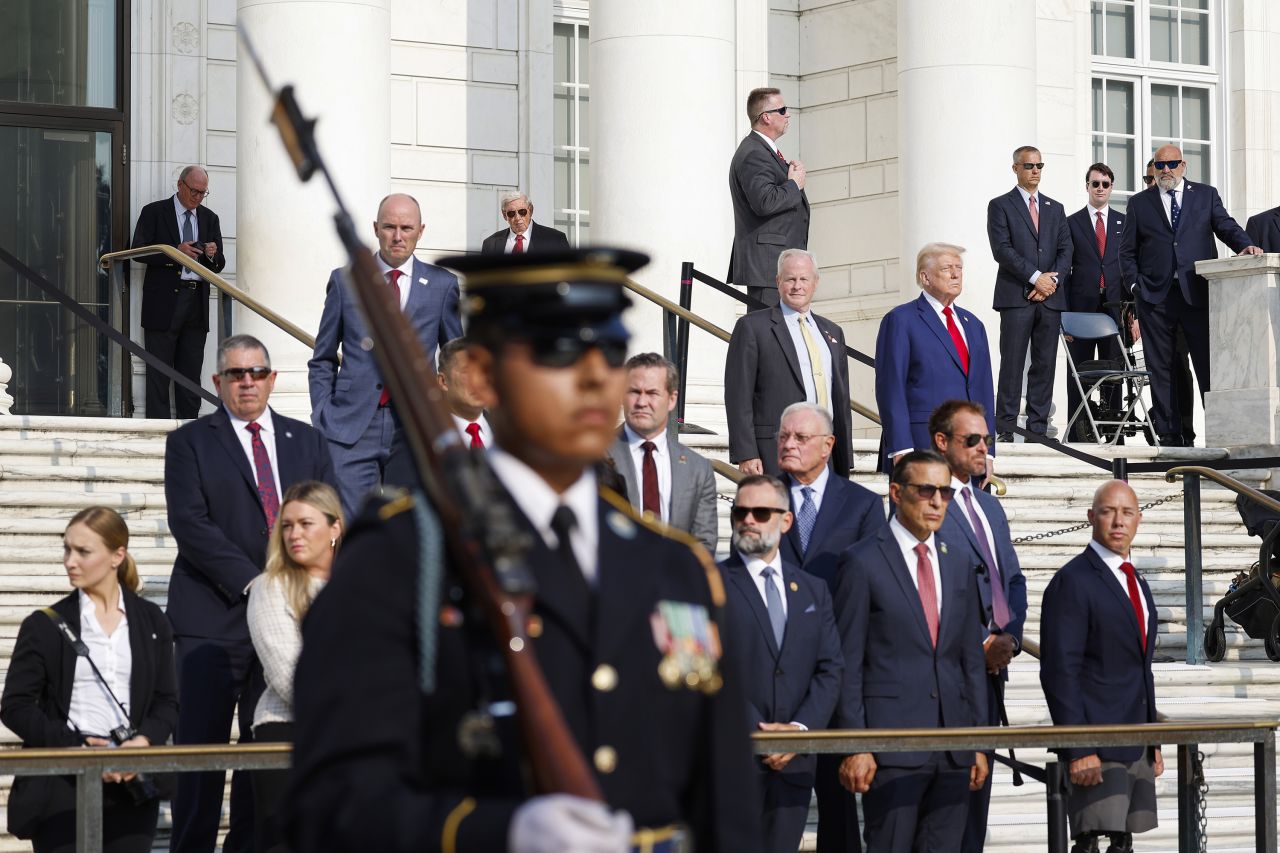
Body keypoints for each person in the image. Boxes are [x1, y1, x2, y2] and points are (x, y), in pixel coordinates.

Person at [284, 248, 763, 853]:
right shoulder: (400, 560)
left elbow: (728, 812)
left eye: (609, 353)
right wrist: (496, 833)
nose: (594, 377)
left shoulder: (675, 568)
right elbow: (330, 806)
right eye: (559, 353)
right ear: (483, 376)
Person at [164, 334, 335, 853]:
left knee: (262, 754)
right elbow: (190, 525)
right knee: (201, 755)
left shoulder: (308, 442)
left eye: (256, 372)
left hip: (285, 622)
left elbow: (327, 518)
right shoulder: (190, 442)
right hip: (211, 620)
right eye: (236, 374)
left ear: (271, 379)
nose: (247, 382)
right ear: (217, 383)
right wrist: (258, 580)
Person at [833, 450, 988, 853]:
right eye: (926, 491)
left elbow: (969, 661)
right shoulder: (861, 562)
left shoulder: (958, 562)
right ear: (896, 493)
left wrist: (976, 741)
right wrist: (857, 744)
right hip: (891, 747)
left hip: (953, 747)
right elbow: (847, 663)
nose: (937, 501)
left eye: (945, 492)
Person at [1, 507, 178, 853]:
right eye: (67, 549)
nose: (70, 561)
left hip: (131, 784)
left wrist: (142, 743)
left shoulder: (151, 622)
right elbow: (15, 706)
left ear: (117, 555)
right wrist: (76, 746)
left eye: (83, 551)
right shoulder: (43, 625)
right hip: (63, 784)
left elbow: (167, 701)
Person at [308, 192, 463, 517]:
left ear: (421, 231)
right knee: (353, 533)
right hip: (350, 428)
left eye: (407, 228)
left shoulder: (442, 285)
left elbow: (455, 359)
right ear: (376, 228)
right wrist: (323, 412)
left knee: (408, 531)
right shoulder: (346, 281)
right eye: (390, 227)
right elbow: (322, 356)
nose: (397, 236)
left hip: (413, 429)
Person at [773, 401, 881, 853]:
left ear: (828, 445)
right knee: (773, 814)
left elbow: (873, 591)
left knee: (839, 816)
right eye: (783, 437)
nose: (789, 444)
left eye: (800, 438)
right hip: (775, 675)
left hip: (835, 673)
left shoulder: (862, 505)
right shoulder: (761, 498)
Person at [719, 475, 842, 853]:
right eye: (740, 512)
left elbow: (830, 668)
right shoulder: (707, 582)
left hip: (793, 766)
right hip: (731, 762)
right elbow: (704, 670)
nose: (748, 520)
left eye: (760, 512)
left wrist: (799, 730)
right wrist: (759, 732)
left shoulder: (812, 589)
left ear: (785, 521)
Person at [1040, 480, 1163, 853]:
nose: (1118, 522)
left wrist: (1152, 740)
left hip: (1135, 740)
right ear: (1091, 517)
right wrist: (1078, 748)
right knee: (1091, 842)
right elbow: (1060, 670)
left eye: (1127, 513)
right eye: (1108, 512)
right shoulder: (1073, 581)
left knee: (1123, 844)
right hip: (1096, 744)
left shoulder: (1135, 580)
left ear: (1139, 519)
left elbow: (1141, 667)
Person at [928, 401, 1027, 853]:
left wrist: (1008, 639)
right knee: (946, 810)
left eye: (986, 439)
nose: (983, 448)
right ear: (942, 443)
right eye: (972, 440)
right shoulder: (925, 505)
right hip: (945, 675)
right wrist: (978, 644)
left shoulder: (990, 506)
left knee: (977, 806)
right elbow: (928, 592)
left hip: (991, 674)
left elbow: (1014, 580)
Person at [1118, 145, 1260, 447]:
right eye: (1159, 165)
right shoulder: (1140, 203)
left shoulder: (1205, 195)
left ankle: (1220, 435)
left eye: (1171, 164)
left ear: (1183, 165)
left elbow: (1225, 225)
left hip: (1197, 294)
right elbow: (1127, 251)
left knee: (1207, 367)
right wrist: (1135, 287)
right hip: (1155, 298)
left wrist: (1245, 245)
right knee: (1162, 368)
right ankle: (1171, 437)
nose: (1165, 170)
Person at [247, 481, 344, 853]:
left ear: (334, 528)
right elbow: (286, 672)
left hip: (354, 737)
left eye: (305, 524)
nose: (294, 534)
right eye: (286, 526)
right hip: (287, 732)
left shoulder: (359, 587)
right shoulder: (270, 587)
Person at [726, 249, 852, 477]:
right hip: (774, 451)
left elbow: (841, 401)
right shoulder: (753, 327)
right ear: (778, 282)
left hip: (825, 451)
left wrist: (844, 455)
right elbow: (738, 395)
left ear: (815, 282)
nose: (797, 286)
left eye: (804, 279)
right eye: (790, 279)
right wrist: (746, 453)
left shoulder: (833, 332)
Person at [875, 243, 996, 470]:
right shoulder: (901, 320)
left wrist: (988, 451)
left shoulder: (973, 324)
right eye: (947, 268)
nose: (955, 274)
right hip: (923, 443)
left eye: (959, 268)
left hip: (971, 448)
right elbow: (891, 388)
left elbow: (984, 390)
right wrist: (901, 448)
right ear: (925, 277)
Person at [987, 145, 1072, 440]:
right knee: (1012, 363)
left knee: (1045, 364)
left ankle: (1037, 430)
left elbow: (1066, 251)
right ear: (1015, 169)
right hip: (1015, 297)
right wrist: (1036, 278)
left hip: (1050, 299)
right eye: (1029, 166)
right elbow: (1002, 250)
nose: (1035, 171)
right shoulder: (1000, 205)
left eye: (1039, 166)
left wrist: (1051, 283)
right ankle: (1006, 429)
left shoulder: (1055, 208)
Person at [130, 165, 226, 420]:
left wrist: (211, 255)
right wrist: (174, 252)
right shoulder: (154, 212)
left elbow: (220, 264)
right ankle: (156, 435)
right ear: (180, 185)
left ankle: (189, 432)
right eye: (194, 191)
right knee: (159, 372)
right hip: (162, 302)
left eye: (203, 193)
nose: (197, 198)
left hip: (196, 302)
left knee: (191, 372)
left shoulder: (210, 218)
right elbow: (138, 251)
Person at [606, 352, 718, 555]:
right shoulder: (596, 457)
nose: (642, 402)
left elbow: (704, 545)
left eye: (652, 393)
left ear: (672, 399)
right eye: (633, 392)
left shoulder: (698, 469)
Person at [728, 87, 810, 306]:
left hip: (775, 266)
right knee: (767, 334)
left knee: (779, 334)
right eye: (782, 110)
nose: (788, 114)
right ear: (766, 117)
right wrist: (794, 184)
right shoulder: (754, 152)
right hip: (767, 268)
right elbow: (764, 201)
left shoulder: (763, 151)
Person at [1063, 163, 1126, 439]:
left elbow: (1129, 267)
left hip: (1114, 309)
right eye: (1095, 183)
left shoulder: (1124, 222)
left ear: (1112, 187)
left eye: (1105, 183)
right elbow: (1064, 270)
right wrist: (1062, 318)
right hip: (1081, 309)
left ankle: (1113, 432)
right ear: (1086, 186)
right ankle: (1078, 433)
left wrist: (1133, 316)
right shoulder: (1071, 222)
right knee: (1078, 372)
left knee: (1114, 371)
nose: (1100, 188)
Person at [437, 336, 492, 448]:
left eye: (484, 371)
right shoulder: (419, 437)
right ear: (443, 381)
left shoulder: (510, 433)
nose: (478, 381)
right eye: (467, 372)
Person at [480, 190, 571, 254]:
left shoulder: (555, 240)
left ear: (530, 210)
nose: (517, 218)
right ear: (504, 215)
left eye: (522, 212)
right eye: (511, 213)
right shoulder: (490, 244)